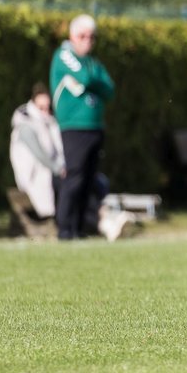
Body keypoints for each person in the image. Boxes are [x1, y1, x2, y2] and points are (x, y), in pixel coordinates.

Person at [50, 14, 116, 240]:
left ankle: (78, 228)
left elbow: (108, 88)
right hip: (74, 127)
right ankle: (65, 228)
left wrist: (94, 81)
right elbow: (87, 79)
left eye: (92, 37)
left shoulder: (93, 62)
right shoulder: (64, 55)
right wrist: (93, 82)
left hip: (95, 126)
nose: (87, 41)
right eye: (82, 36)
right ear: (72, 36)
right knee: (75, 176)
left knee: (89, 178)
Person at [9, 84, 65, 219]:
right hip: (34, 176)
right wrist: (59, 169)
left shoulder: (50, 123)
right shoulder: (25, 125)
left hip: (51, 172)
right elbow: (40, 154)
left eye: (47, 108)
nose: (45, 112)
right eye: (41, 108)